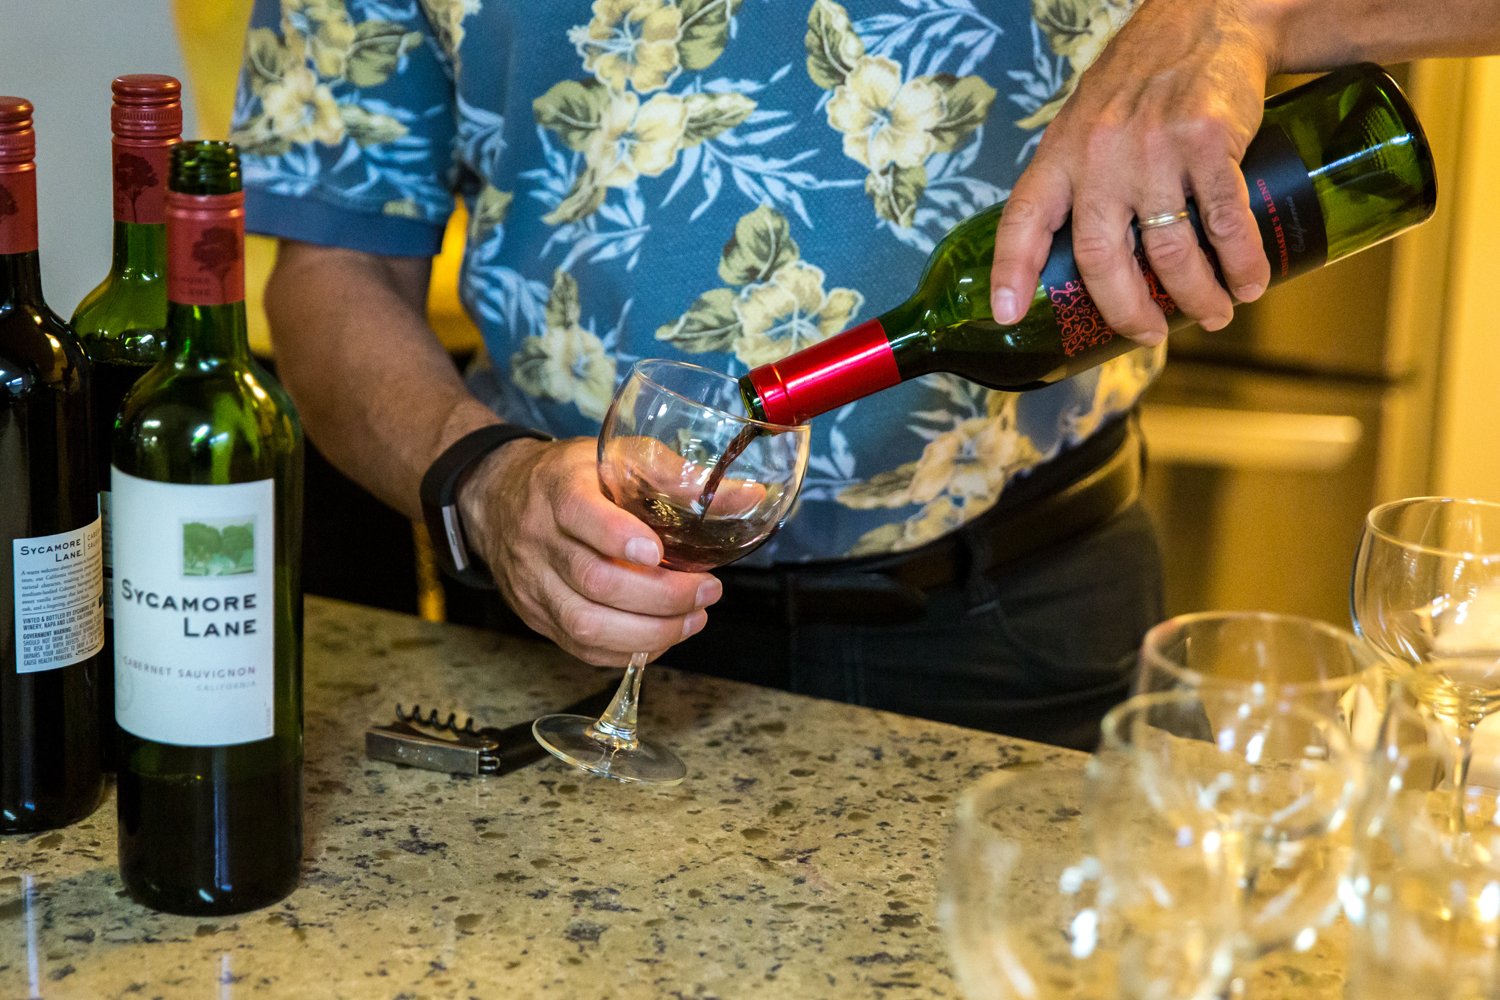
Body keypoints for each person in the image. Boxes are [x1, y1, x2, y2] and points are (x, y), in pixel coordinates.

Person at [230, 0, 1500, 752]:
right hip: (555, 635)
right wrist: (483, 483)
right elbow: (333, 267)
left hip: (1021, 636)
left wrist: (1233, 12)